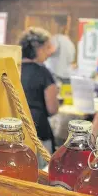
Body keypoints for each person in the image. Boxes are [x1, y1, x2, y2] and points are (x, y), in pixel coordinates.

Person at [19, 27, 59, 168]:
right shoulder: (43, 73)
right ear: (38, 48)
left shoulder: (13, 69)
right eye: (47, 48)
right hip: (39, 132)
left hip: (16, 131)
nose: (49, 53)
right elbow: (52, 108)